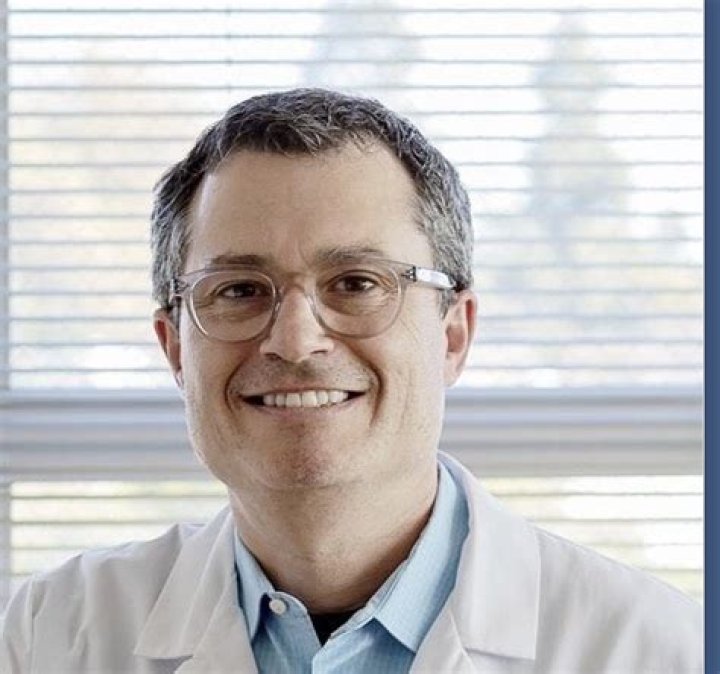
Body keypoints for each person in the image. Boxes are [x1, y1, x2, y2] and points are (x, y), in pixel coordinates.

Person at [1, 88, 701, 673]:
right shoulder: (51, 635)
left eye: (357, 283)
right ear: (175, 347)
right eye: (239, 289)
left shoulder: (659, 648)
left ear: (453, 334)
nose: (294, 340)